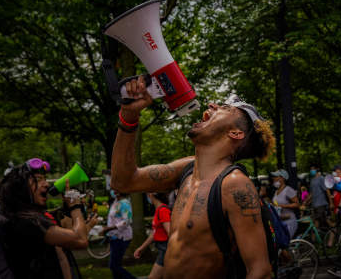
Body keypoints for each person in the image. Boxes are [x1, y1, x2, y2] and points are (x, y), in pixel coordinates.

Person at [111, 76, 275, 279]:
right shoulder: (187, 169)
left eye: (225, 108)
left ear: (235, 133)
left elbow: (260, 270)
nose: (212, 105)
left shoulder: (234, 184)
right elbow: (122, 181)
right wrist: (129, 115)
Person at [0, 158, 88, 279]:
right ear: (21, 188)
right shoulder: (28, 222)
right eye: (38, 180)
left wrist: (67, 208)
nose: (46, 184)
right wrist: (75, 206)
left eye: (45, 179)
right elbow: (80, 238)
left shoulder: (28, 217)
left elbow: (73, 242)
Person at [134, 193, 171, 279]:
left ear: (151, 195)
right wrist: (142, 248)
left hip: (165, 250)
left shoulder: (162, 210)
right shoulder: (158, 210)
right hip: (162, 249)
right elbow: (154, 233)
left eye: (147, 194)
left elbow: (170, 232)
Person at [101, 189, 135, 279]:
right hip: (114, 237)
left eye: (114, 189)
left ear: (119, 191)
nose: (111, 190)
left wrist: (109, 228)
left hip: (122, 237)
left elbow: (127, 221)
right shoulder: (116, 201)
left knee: (114, 266)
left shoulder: (124, 203)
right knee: (115, 266)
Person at [271, 169, 299, 239]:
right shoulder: (276, 191)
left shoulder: (288, 190)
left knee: (285, 243)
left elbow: (297, 204)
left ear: (282, 178)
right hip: (280, 222)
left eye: (276, 176)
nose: (274, 178)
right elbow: (276, 204)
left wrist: (282, 206)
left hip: (289, 222)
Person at [306, 165, 333, 229]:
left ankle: (334, 230)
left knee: (323, 220)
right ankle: (315, 238)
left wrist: (331, 203)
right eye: (310, 170)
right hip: (314, 205)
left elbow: (327, 190)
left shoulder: (321, 178)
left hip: (321, 204)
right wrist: (306, 201)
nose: (311, 171)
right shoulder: (312, 180)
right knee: (316, 222)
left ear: (316, 170)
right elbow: (312, 193)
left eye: (312, 169)